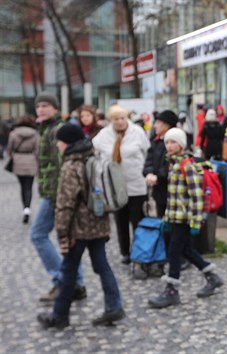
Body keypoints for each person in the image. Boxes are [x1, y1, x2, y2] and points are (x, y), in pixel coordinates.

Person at [37, 124, 125, 329]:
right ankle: (114, 306)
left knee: (68, 270)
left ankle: (59, 316)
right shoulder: (93, 158)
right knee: (102, 265)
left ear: (67, 142)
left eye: (59, 141)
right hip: (99, 223)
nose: (58, 145)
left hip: (79, 228)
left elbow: (65, 204)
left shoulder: (71, 165)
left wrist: (62, 232)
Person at [148, 128, 224, 309]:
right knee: (187, 250)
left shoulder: (187, 166)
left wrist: (196, 222)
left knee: (174, 251)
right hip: (175, 217)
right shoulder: (173, 165)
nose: (169, 145)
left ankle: (172, 290)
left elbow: (196, 197)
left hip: (185, 219)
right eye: (167, 142)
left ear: (181, 145)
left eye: (173, 142)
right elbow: (172, 198)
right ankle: (212, 277)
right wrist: (166, 218)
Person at [30, 91, 87, 302]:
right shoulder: (45, 130)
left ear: (55, 108)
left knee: (37, 235)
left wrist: (61, 196)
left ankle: (62, 280)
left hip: (56, 194)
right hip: (52, 192)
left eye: (45, 105)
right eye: (38, 106)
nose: (41, 109)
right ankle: (76, 283)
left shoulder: (56, 131)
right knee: (68, 238)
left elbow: (65, 166)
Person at [93, 104, 150, 264]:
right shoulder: (103, 135)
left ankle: (139, 250)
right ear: (111, 120)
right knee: (121, 220)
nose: (120, 122)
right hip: (116, 185)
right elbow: (96, 155)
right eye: (116, 119)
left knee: (138, 219)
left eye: (123, 118)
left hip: (137, 183)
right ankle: (125, 251)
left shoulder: (137, 132)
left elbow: (146, 151)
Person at [144, 110, 179, 218]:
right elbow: (148, 161)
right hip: (158, 191)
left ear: (167, 124)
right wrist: (148, 173)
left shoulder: (177, 142)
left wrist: (157, 177)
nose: (155, 126)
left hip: (172, 192)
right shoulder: (155, 141)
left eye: (158, 122)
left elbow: (170, 165)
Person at [7, 114, 40, 223]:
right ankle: (27, 208)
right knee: (29, 186)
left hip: (18, 160)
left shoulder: (14, 133)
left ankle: (24, 208)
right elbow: (38, 149)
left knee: (22, 186)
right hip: (31, 160)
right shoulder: (35, 134)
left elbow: (9, 149)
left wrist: (14, 157)